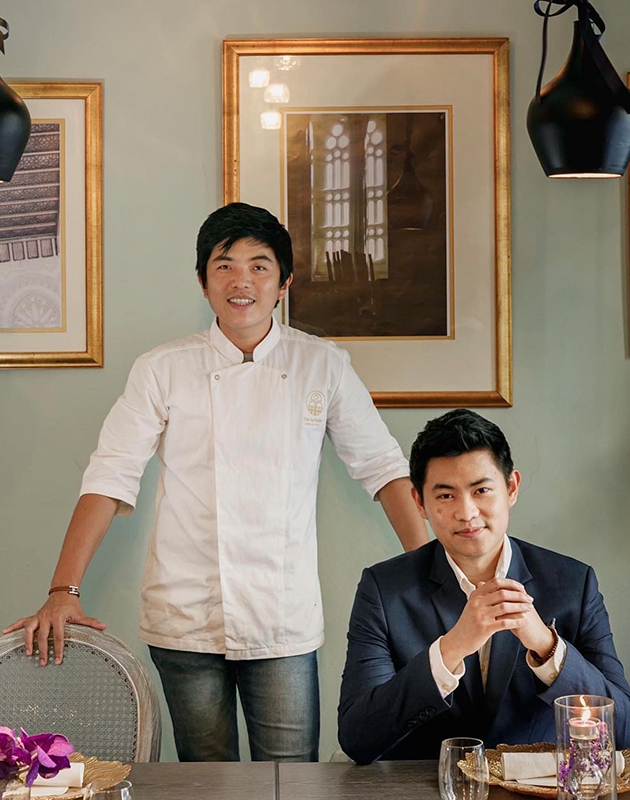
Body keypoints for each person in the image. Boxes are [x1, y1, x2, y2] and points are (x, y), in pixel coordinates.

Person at [4, 202, 429, 763]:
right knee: (207, 783)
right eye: (224, 266)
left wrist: (432, 573)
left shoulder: (322, 365)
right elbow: (110, 474)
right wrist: (64, 590)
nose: (241, 281)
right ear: (203, 281)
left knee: (290, 783)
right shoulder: (162, 368)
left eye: (259, 266)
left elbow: (383, 469)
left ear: (284, 282)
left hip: (281, 616)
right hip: (186, 613)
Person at [338, 409, 630, 765]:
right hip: (425, 786)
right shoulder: (383, 589)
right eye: (446, 496)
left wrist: (546, 646)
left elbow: (624, 730)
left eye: (481, 490)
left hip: (536, 787)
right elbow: (357, 738)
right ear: (420, 503)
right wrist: (450, 649)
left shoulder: (573, 583)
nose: (467, 512)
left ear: (511, 488)